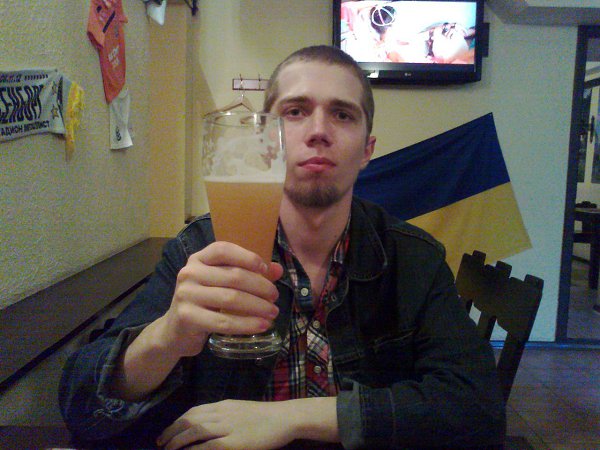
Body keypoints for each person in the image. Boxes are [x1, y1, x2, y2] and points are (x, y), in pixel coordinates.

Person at [59, 45, 506, 449]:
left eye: (342, 115)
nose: (318, 131)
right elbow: (80, 404)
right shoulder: (199, 249)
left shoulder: (414, 258)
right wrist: (167, 336)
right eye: (295, 112)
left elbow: (479, 409)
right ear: (265, 142)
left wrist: (290, 418)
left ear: (367, 150)